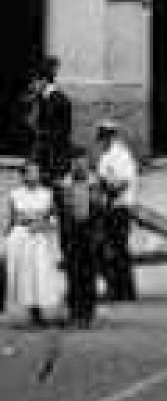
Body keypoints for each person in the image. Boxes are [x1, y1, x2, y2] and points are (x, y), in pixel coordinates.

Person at [4, 160, 65, 325]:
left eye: (36, 172)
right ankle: (31, 310)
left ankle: (40, 310)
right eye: (30, 172)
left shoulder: (47, 193)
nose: (34, 176)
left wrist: (44, 224)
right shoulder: (15, 194)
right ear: (23, 175)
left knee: (40, 273)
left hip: (40, 236)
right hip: (22, 236)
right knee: (26, 275)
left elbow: (53, 216)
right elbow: (10, 219)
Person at [93, 121, 139, 303]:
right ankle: (118, 288)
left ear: (112, 137)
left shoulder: (121, 155)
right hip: (111, 207)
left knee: (117, 250)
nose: (102, 141)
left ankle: (123, 291)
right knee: (112, 250)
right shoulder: (108, 155)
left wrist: (106, 190)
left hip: (118, 208)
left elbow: (123, 183)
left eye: (105, 137)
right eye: (102, 138)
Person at [56, 150, 102, 328]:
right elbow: (60, 215)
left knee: (89, 277)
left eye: (82, 162)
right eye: (76, 163)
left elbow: (101, 213)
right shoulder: (63, 186)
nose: (79, 166)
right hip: (71, 238)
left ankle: (88, 315)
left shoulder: (95, 184)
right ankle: (75, 314)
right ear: (71, 164)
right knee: (73, 277)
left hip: (90, 237)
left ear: (87, 164)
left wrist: (99, 237)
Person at [25, 57, 73, 183]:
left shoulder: (60, 101)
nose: (31, 86)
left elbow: (62, 134)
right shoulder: (38, 99)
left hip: (53, 161)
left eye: (34, 82)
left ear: (44, 81)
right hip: (41, 158)